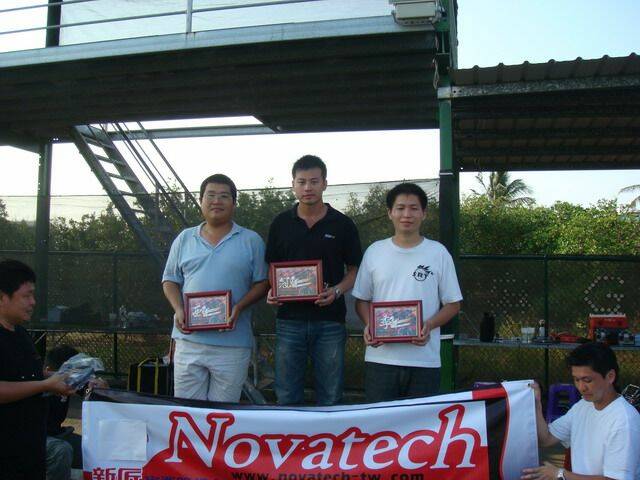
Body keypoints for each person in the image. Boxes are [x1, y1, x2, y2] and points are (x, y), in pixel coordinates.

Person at [163, 174, 269, 402]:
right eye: (210, 195)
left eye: (224, 196)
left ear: (234, 203)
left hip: (233, 345)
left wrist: (239, 307)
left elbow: (263, 283)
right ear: (201, 201)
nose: (216, 201)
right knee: (189, 411)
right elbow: (170, 280)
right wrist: (179, 309)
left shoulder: (251, 240)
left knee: (222, 414)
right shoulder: (184, 238)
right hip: (188, 341)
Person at [352, 182, 462, 402]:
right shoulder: (375, 251)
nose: (407, 214)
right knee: (381, 420)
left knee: (420, 423)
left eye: (414, 208)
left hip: (424, 362)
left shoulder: (438, 253)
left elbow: (453, 304)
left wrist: (429, 325)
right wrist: (370, 325)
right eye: (400, 208)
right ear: (389, 213)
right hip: (381, 360)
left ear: (424, 213)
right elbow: (361, 300)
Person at [265, 155, 362, 406]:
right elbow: (272, 267)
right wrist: (274, 290)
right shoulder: (280, 223)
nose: (308, 187)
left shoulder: (342, 224)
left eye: (314, 181)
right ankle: (289, 432)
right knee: (287, 395)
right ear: (293, 185)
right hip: (289, 321)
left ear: (325, 184)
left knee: (330, 395)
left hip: (330, 322)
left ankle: (329, 434)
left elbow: (354, 269)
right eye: (302, 182)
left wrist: (337, 291)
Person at [0, 259, 75, 480]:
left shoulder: (21, 334)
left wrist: (65, 377)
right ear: (2, 297)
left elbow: (28, 373)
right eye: (26, 296)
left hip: (29, 451)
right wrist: (45, 385)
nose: (33, 302)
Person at [522, 342, 640, 480]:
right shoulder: (583, 405)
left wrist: (560, 474)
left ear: (610, 376)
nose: (581, 387)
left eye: (587, 380)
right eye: (576, 380)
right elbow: (546, 439)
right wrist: (536, 404)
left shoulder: (624, 421)